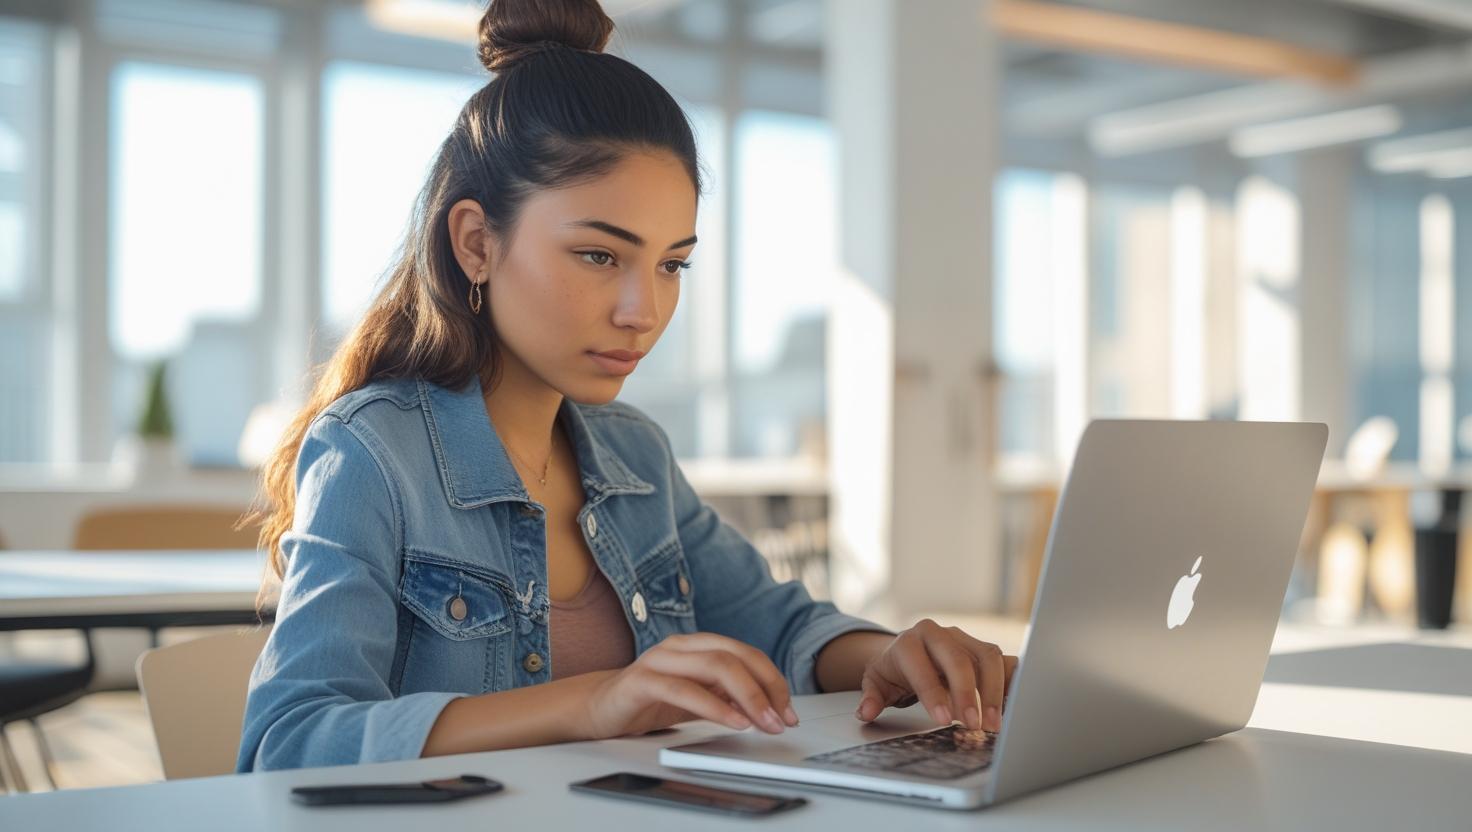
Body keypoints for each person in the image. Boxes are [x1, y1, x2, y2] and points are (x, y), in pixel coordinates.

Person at [236, 0, 1016, 773]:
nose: (644, 312)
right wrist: (597, 702)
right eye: (600, 257)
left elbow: (779, 627)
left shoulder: (633, 453)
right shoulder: (374, 451)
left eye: (672, 264)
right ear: (476, 242)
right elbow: (289, 741)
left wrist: (895, 653)